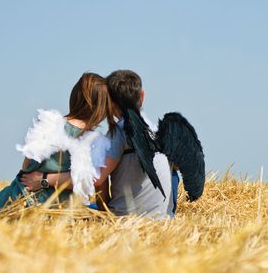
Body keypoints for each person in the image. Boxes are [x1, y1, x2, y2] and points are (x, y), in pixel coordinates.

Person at [21, 70, 175, 219]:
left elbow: (95, 178)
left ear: (111, 103)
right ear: (142, 96)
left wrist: (44, 178)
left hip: (127, 218)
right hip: (163, 218)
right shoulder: (159, 130)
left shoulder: (119, 132)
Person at [0, 72, 115, 212]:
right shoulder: (96, 142)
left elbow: (26, 167)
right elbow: (92, 187)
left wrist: (44, 180)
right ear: (101, 108)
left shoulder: (48, 122)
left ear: (74, 97)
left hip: (18, 201)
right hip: (59, 210)